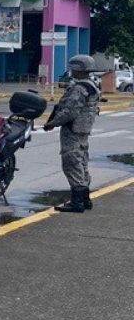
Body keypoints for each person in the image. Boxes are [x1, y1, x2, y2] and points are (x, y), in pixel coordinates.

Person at [44, 54, 101, 212]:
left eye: (73, 68)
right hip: (83, 129)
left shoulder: (79, 88)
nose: (71, 71)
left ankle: (77, 202)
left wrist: (52, 123)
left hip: (72, 129)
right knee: (81, 161)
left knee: (71, 163)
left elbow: (70, 111)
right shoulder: (93, 85)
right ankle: (85, 199)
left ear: (78, 69)